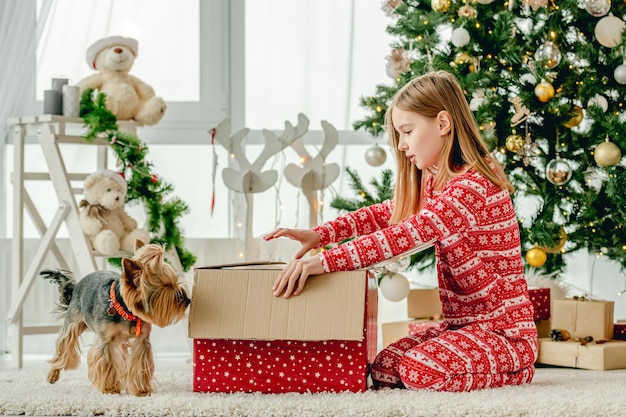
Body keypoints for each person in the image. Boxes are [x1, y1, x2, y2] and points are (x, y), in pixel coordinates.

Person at [263, 70, 538, 392]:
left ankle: (519, 370)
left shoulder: (473, 185)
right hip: (462, 326)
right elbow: (390, 213)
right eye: (399, 135)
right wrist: (321, 235)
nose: (402, 145)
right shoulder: (438, 180)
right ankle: (476, 359)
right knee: (385, 369)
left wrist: (323, 261)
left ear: (443, 123)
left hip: (504, 333)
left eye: (407, 131)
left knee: (419, 372)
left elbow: (406, 233)